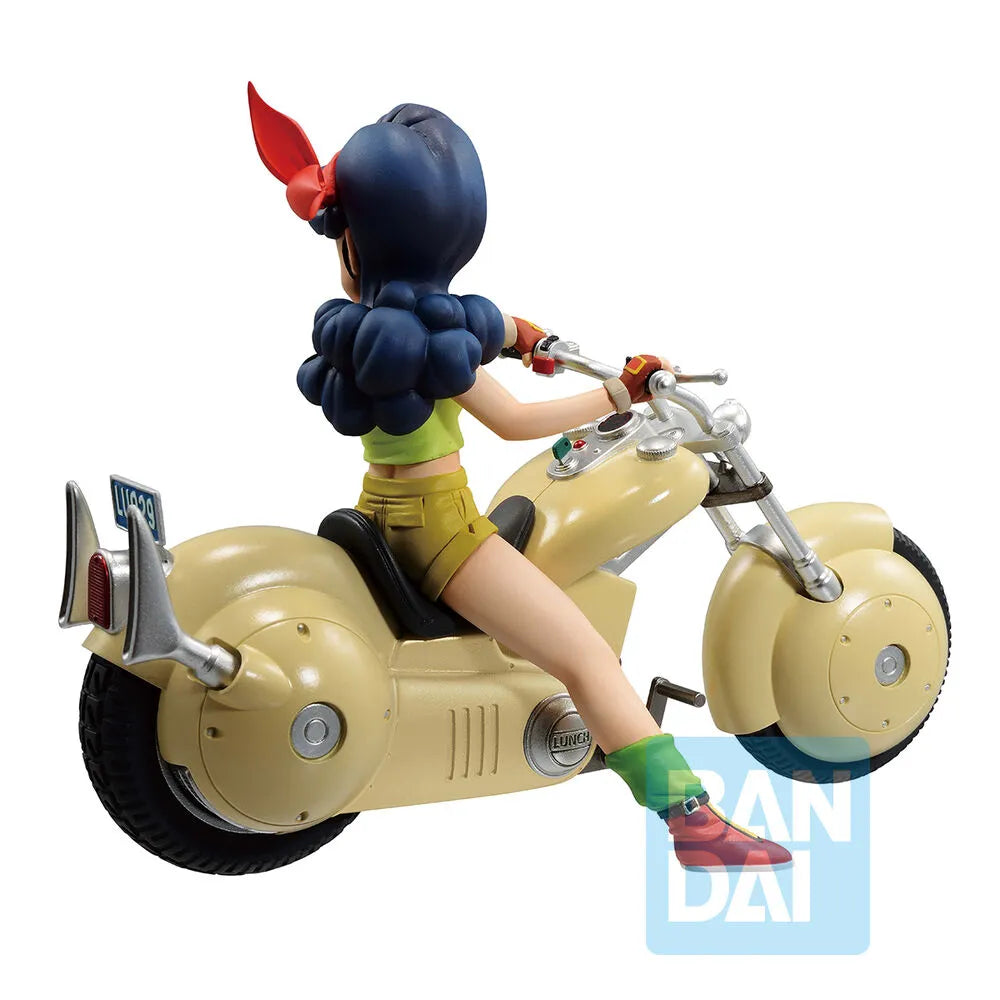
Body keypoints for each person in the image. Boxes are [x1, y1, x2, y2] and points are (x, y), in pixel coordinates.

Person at [248, 84, 790, 870]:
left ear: (355, 245)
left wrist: (524, 335)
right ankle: (693, 824)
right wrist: (619, 393)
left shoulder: (368, 331)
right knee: (587, 658)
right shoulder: (430, 348)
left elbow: (474, 324)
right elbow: (514, 422)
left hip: (386, 514)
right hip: (444, 535)